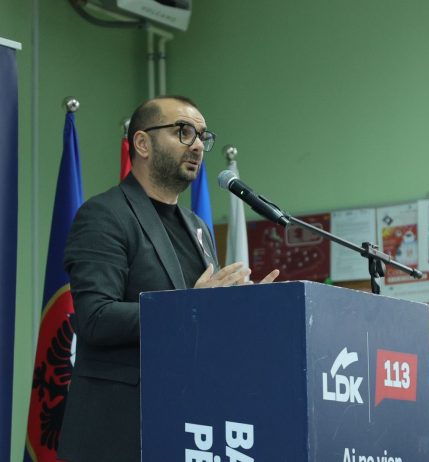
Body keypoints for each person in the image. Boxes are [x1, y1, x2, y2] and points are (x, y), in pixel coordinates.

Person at [57, 96, 279, 462]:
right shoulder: (104, 215)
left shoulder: (197, 227)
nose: (197, 145)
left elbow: (200, 320)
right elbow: (95, 317)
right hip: (119, 434)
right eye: (184, 132)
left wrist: (240, 308)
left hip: (185, 425)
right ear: (142, 143)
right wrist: (189, 306)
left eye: (202, 136)